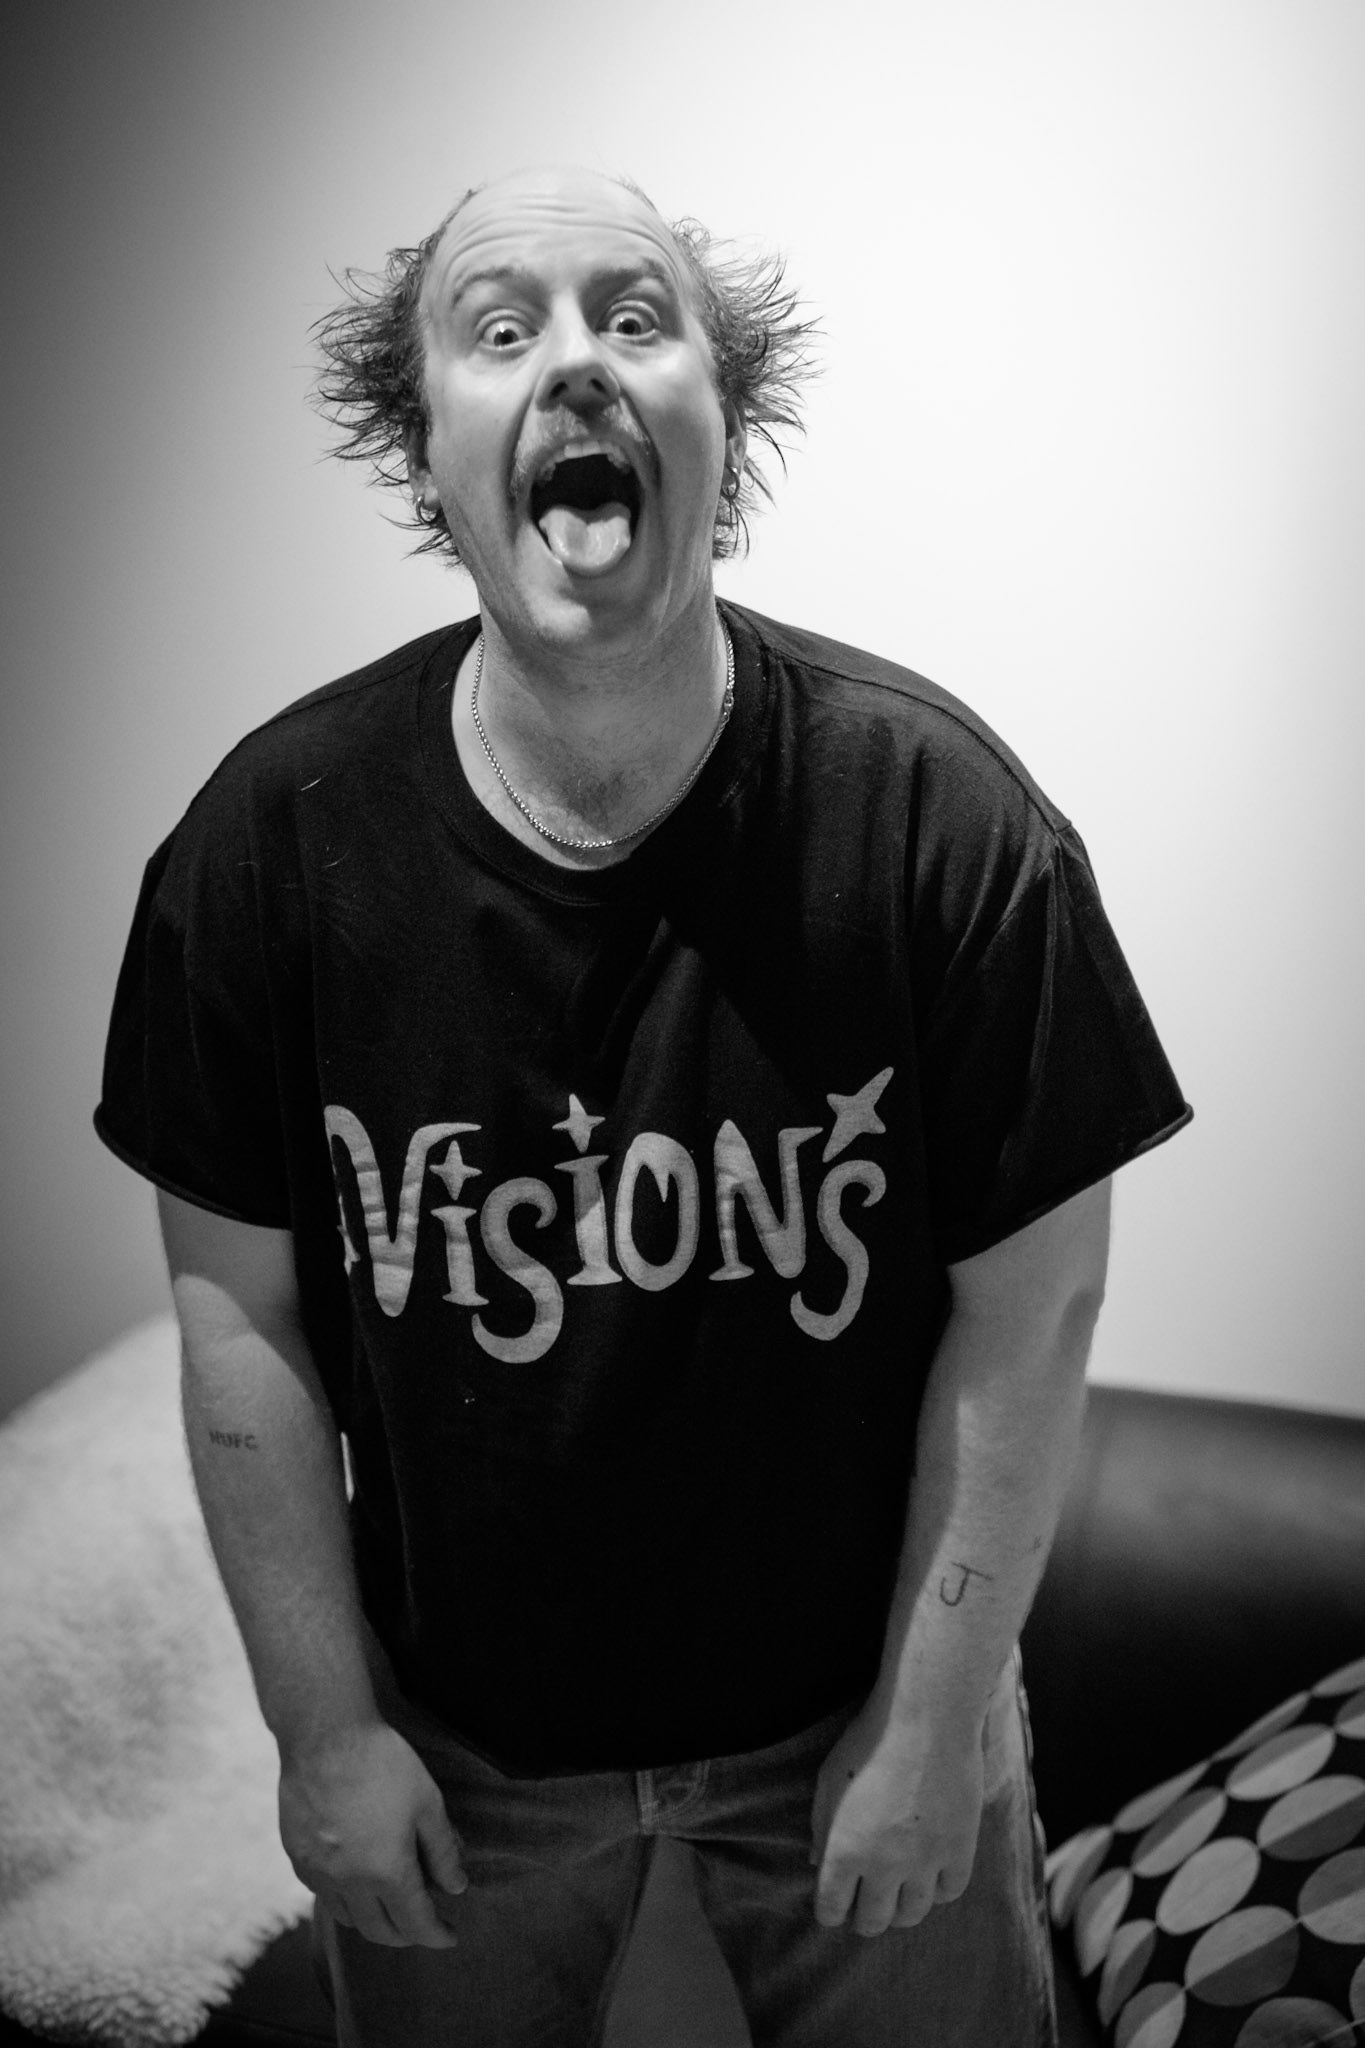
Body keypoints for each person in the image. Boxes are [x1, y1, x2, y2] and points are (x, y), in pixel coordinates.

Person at [96, 164, 1191, 2046]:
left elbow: (1032, 1310)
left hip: (856, 1721)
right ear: (425, 449)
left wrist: (929, 1724)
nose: (575, 364)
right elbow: (237, 1324)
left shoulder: (937, 818)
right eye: (497, 328)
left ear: (723, 416)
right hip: (462, 1749)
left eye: (634, 315)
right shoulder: (268, 848)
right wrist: (325, 1730)